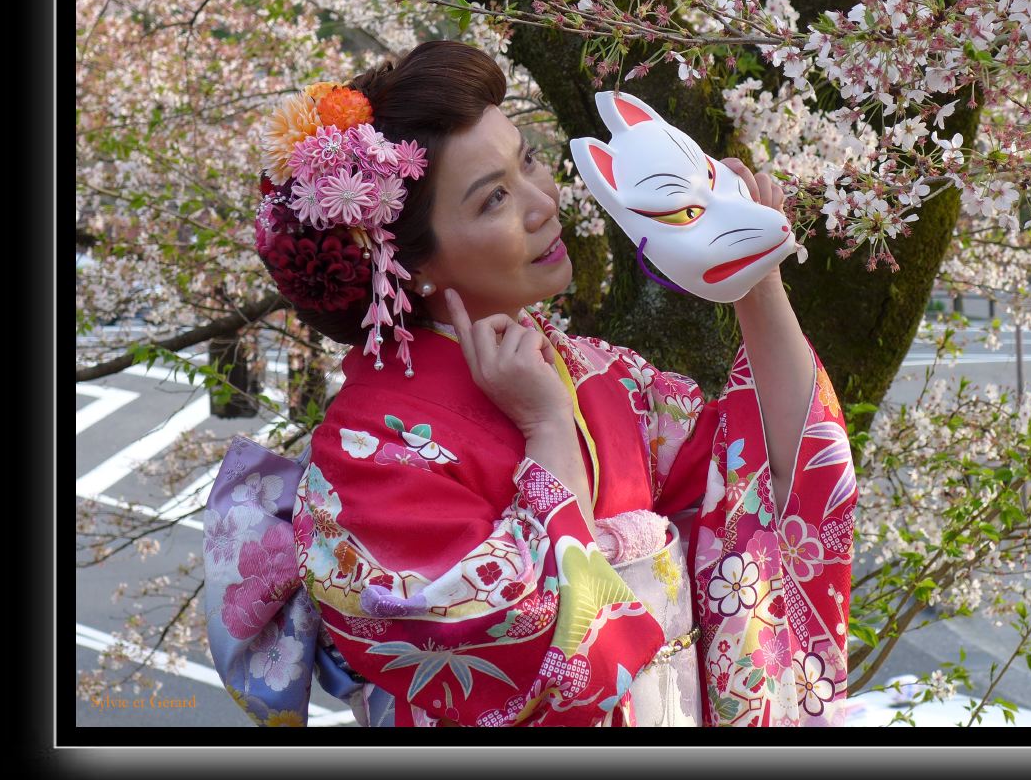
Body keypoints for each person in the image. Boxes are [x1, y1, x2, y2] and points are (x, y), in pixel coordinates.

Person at [203, 40, 856, 727]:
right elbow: (544, 658)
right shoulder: (369, 454)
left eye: (529, 161)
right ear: (406, 262)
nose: (543, 203)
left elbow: (779, 481)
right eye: (494, 200)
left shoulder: (599, 374)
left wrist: (755, 279)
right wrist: (548, 431)